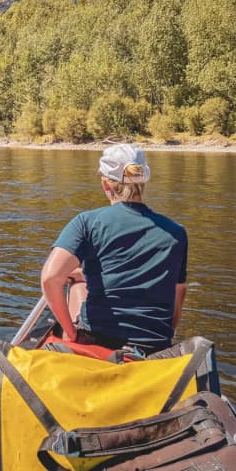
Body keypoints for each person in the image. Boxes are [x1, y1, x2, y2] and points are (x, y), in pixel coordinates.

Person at [39, 143, 187, 354]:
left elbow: (50, 279)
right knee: (80, 280)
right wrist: (163, 336)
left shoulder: (87, 222)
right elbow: (178, 293)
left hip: (99, 341)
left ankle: (70, 336)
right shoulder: (176, 232)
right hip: (154, 345)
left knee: (75, 287)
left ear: (105, 185)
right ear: (143, 181)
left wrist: (72, 333)